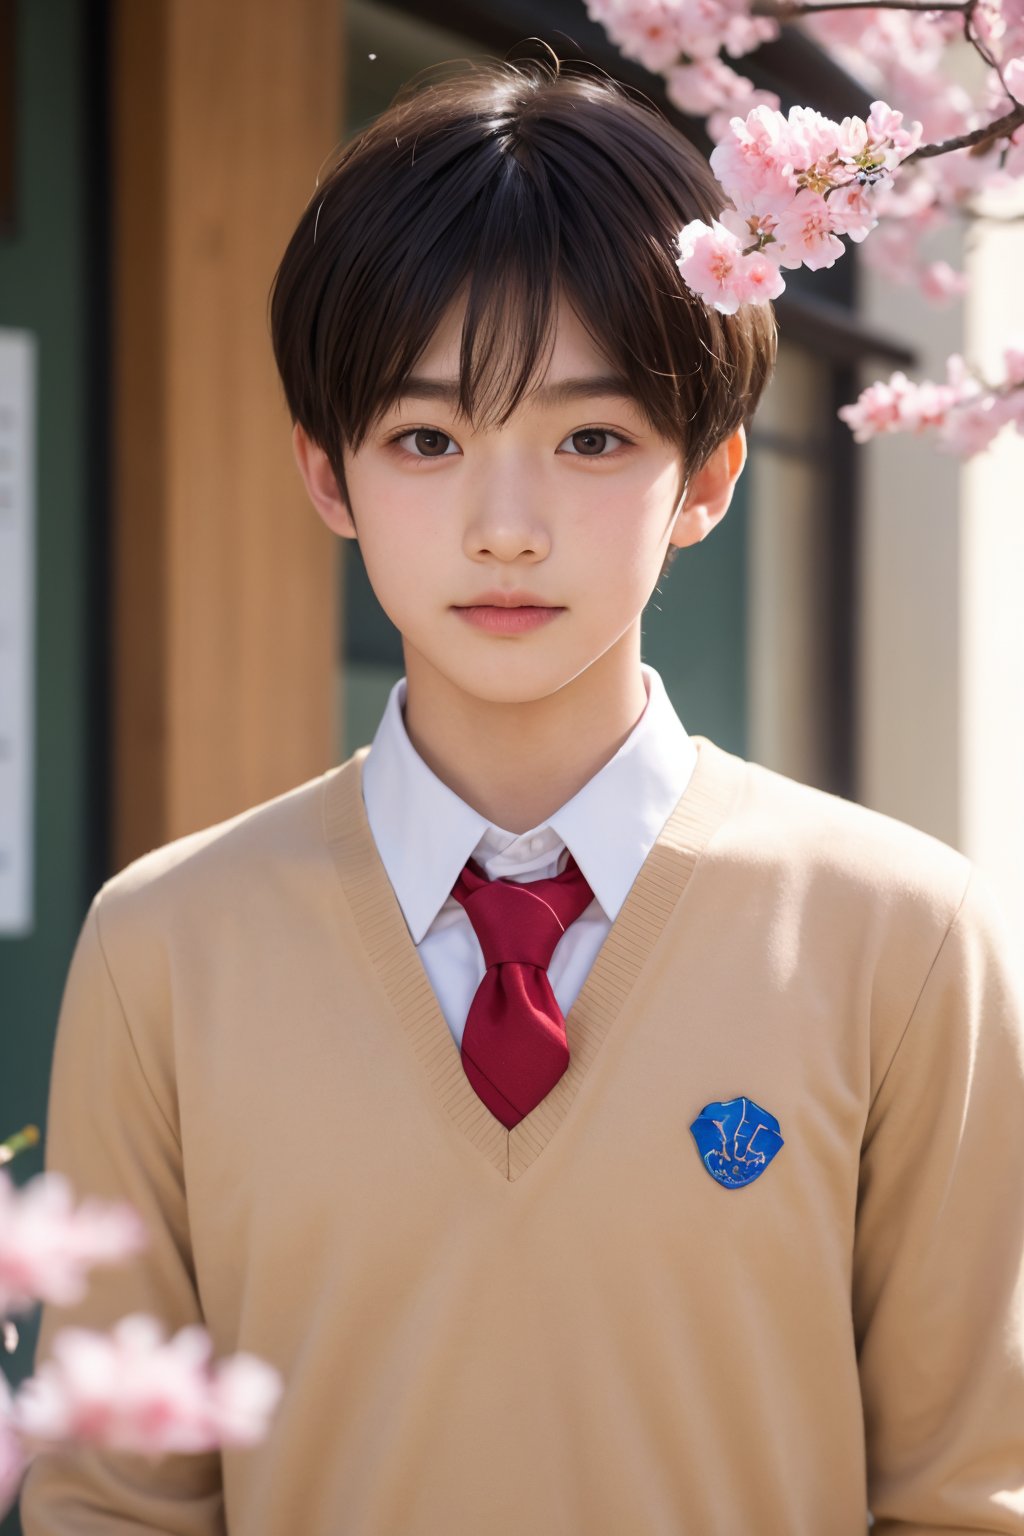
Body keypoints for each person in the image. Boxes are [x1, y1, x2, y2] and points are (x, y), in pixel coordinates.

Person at [20, 55, 1024, 1536]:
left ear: (711, 474)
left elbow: (966, 1501)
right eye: (428, 440)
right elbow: (112, 1506)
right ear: (327, 472)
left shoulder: (903, 939)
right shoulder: (166, 950)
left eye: (592, 438)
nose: (505, 528)